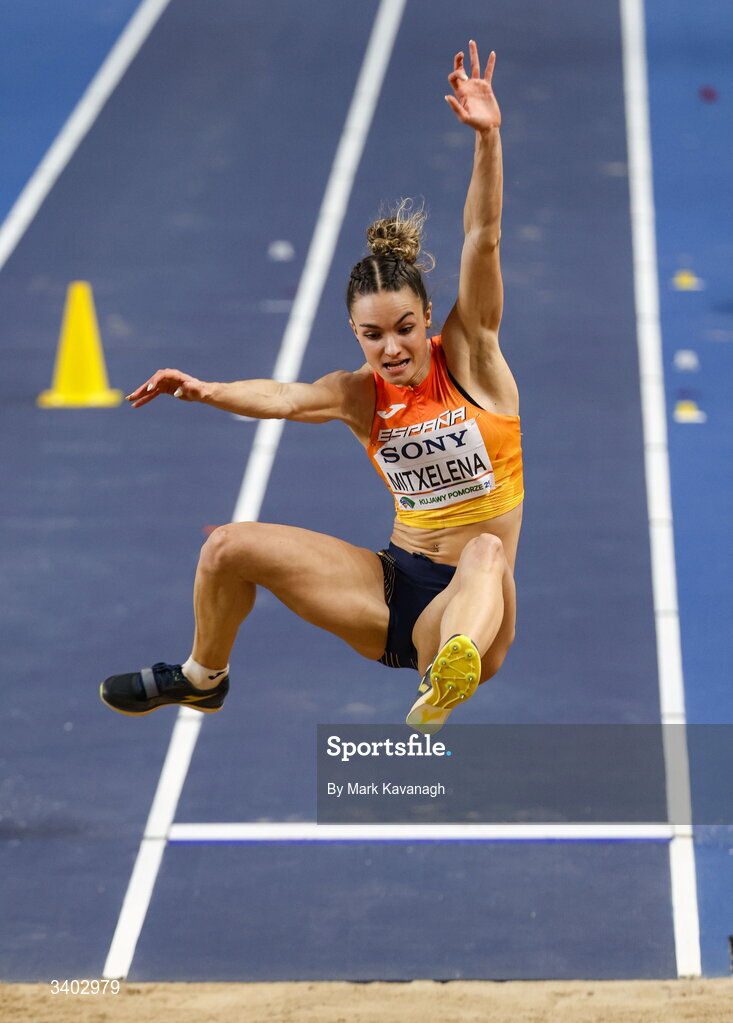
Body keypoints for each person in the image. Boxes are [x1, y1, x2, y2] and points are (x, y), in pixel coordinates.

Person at [101, 40, 523, 735]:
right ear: (355, 332)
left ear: (426, 319)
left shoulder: (472, 357)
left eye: (406, 328)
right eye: (372, 335)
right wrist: (204, 389)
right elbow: (285, 399)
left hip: (476, 606)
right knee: (226, 547)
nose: (391, 348)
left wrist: (487, 139)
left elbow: (483, 237)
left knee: (483, 550)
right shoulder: (360, 394)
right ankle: (204, 679)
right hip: (391, 590)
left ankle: (450, 670)